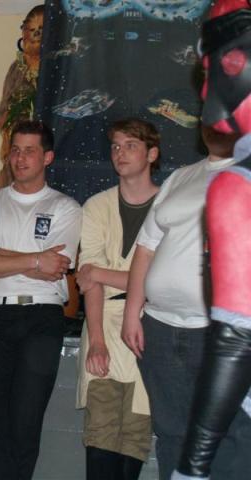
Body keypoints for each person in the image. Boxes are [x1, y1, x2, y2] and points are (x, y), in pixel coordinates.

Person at [121, 124, 251, 480]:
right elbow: (146, 247)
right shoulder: (181, 177)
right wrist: (132, 312)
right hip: (160, 327)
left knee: (222, 437)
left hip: (214, 330)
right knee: (171, 432)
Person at [0, 120, 82, 480]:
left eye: (30, 150)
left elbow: (57, 267)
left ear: (48, 157)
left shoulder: (65, 208)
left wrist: (0, 254)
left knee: (25, 421)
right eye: (15, 149)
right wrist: (35, 259)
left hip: (42, 317)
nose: (20, 157)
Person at [172, 1, 251, 479]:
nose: (205, 91)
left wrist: (193, 468)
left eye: (211, 72)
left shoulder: (237, 187)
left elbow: (237, 341)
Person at [75, 119, 160, 480]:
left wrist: (99, 272)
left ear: (152, 154)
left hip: (151, 324)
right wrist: (96, 341)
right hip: (104, 323)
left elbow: (160, 283)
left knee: (135, 435)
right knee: (101, 431)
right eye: (115, 146)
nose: (120, 153)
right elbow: (87, 280)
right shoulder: (97, 206)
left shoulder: (168, 206)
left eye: (130, 146)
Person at [0, 5, 44, 187]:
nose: (36, 34)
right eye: (31, 30)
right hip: (17, 146)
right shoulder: (17, 68)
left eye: (41, 29)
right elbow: (4, 109)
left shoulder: (62, 66)